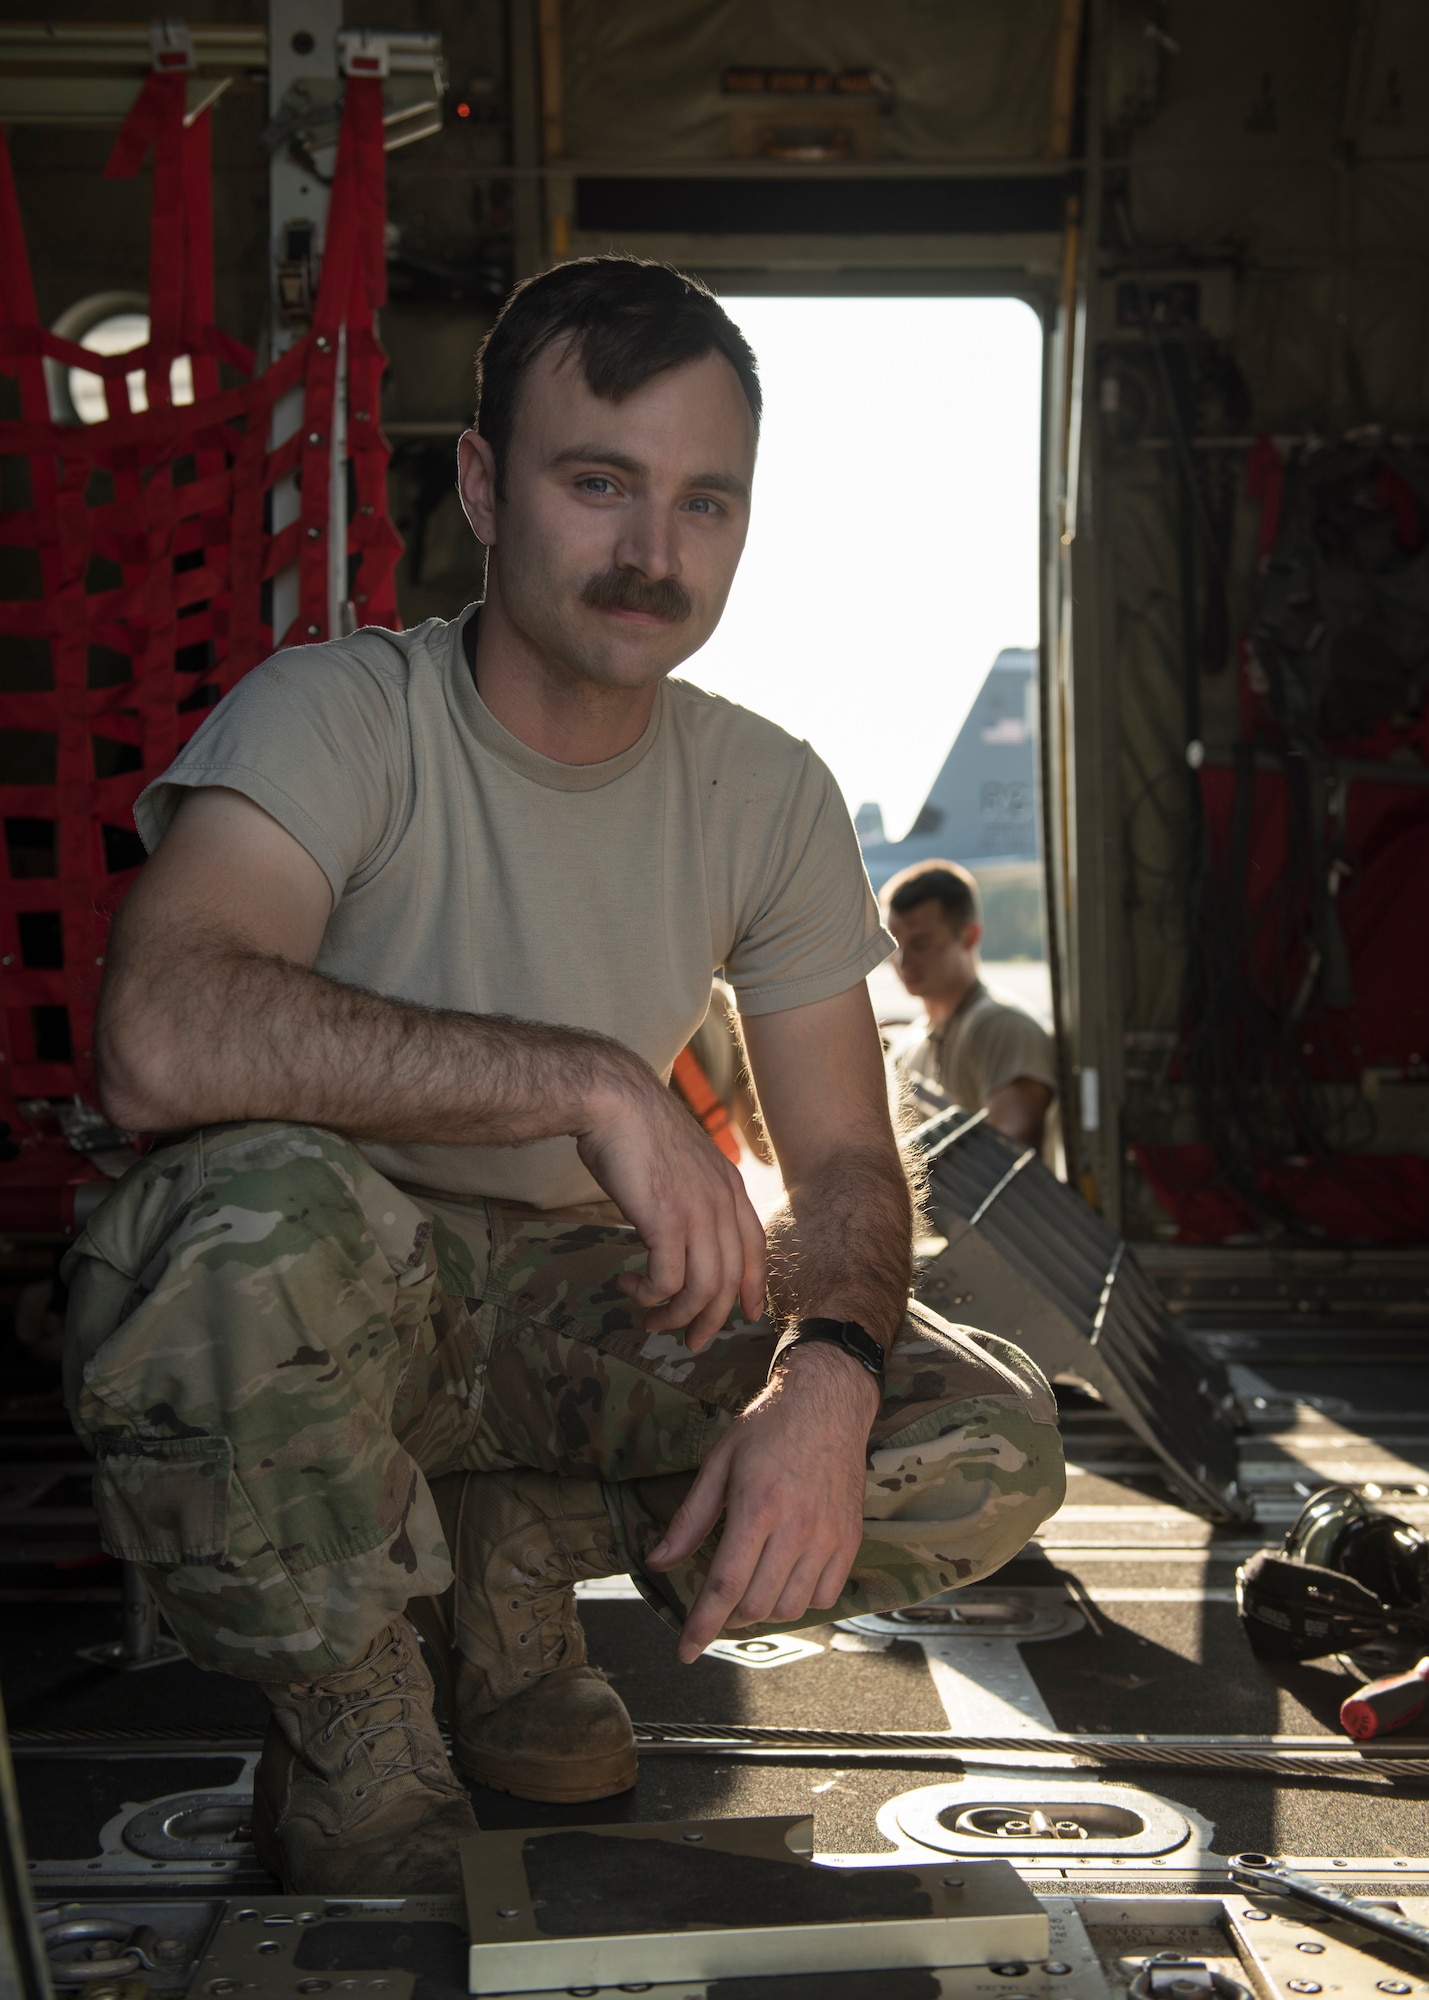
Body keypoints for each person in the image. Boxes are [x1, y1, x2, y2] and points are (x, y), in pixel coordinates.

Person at [62, 259, 1064, 1897]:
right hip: (336, 1294)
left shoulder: (765, 791)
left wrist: (819, 1370)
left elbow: (839, 1168)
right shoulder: (341, 717)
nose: (650, 554)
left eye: (703, 503)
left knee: (974, 1432)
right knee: (235, 1230)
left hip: (561, 1310)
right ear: (480, 483)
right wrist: (587, 1083)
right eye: (597, 483)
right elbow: (158, 1037)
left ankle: (513, 1552)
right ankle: (362, 1719)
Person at [884, 860, 1058, 1152]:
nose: (903, 961)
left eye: (921, 943)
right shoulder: (909, 1045)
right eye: (893, 944)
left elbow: (1008, 1151)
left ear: (969, 936)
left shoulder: (1003, 1028)